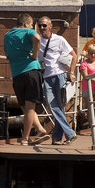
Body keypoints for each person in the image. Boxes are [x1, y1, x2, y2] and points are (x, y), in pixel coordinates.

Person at [4, 13, 50, 146]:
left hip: (17, 74)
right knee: (30, 108)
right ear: (26, 24)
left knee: (24, 106)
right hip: (31, 72)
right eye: (32, 25)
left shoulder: (7, 35)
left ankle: (40, 129)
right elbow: (37, 38)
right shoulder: (28, 31)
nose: (32, 28)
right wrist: (35, 55)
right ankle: (25, 138)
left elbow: (8, 54)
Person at [37, 16, 77, 146]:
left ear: (50, 26)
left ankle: (58, 137)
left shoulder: (59, 40)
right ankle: (64, 135)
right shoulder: (37, 40)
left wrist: (71, 73)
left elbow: (74, 56)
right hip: (46, 77)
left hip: (59, 76)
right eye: (39, 25)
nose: (41, 28)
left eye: (44, 25)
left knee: (57, 106)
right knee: (53, 106)